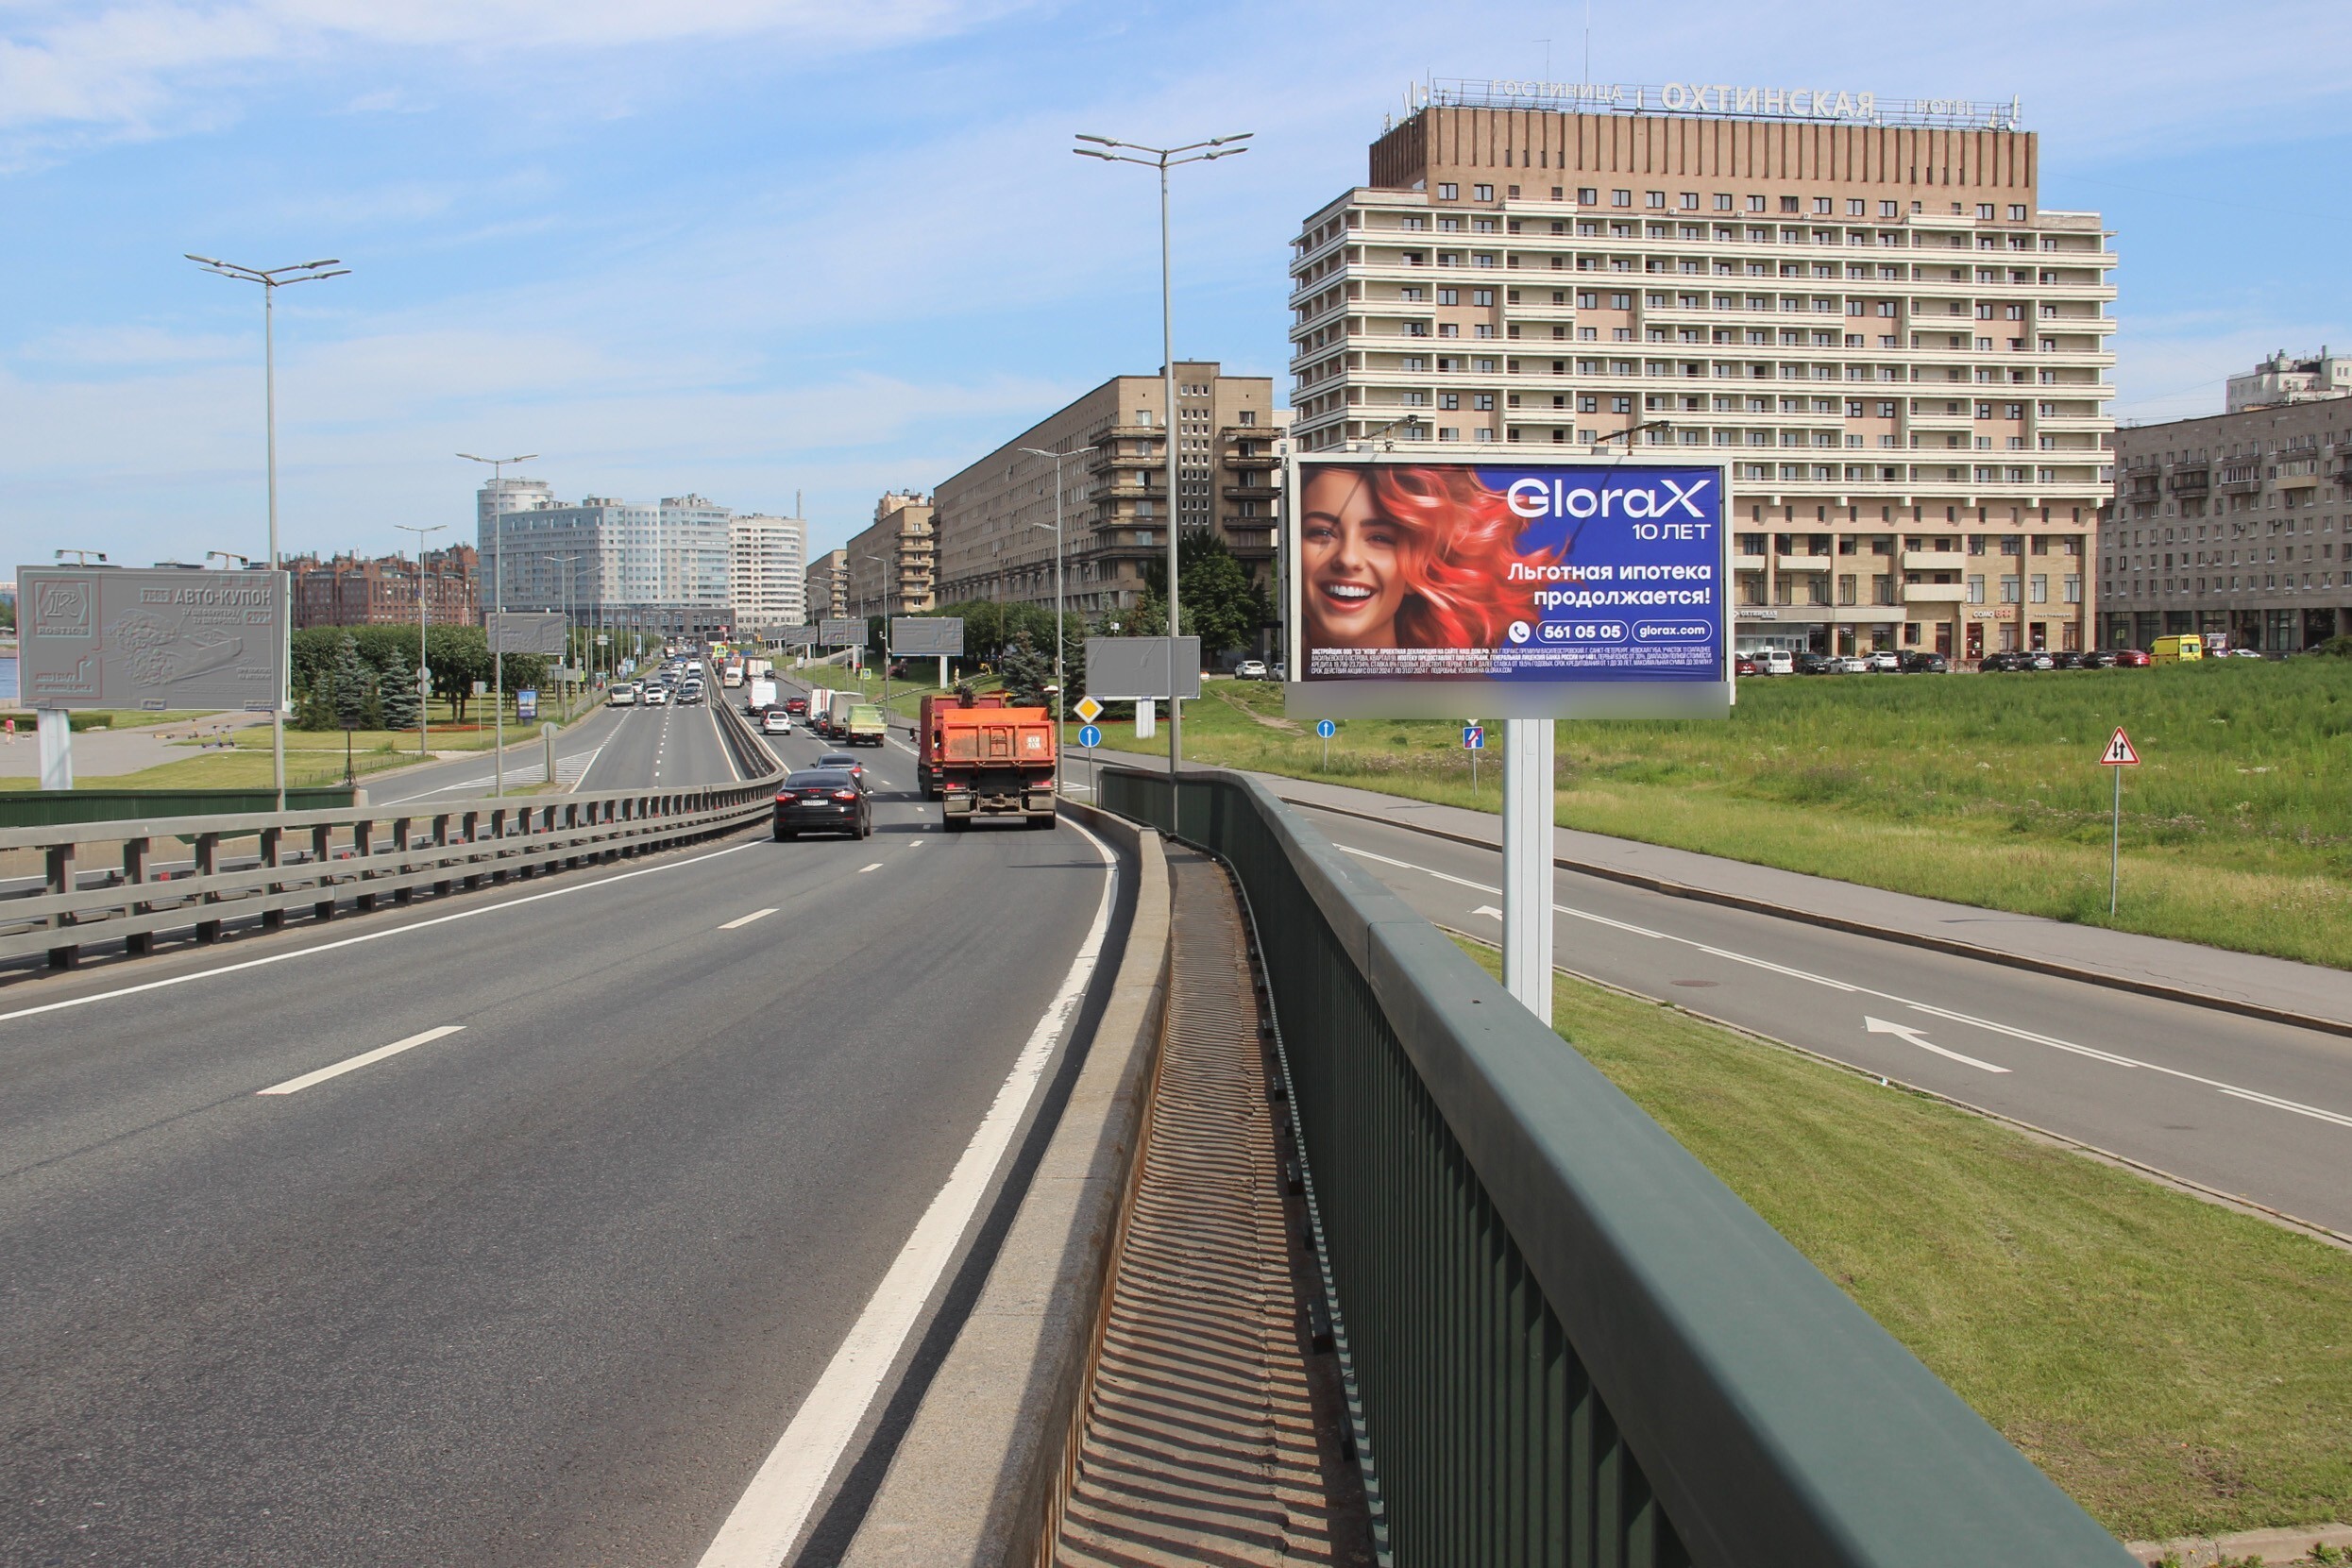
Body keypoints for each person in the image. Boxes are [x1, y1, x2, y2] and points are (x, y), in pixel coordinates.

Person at [1296, 464, 1548, 652]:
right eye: (1322, 533)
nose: (1348, 559)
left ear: (1419, 565)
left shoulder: (1470, 695)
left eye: (1380, 538)